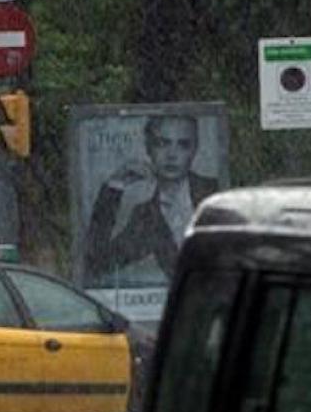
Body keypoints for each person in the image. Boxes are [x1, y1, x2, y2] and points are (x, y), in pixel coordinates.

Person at [84, 114, 220, 284]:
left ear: (195, 149)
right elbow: (96, 263)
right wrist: (114, 187)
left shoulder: (215, 193)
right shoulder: (145, 216)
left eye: (183, 144)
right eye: (162, 143)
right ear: (148, 148)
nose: (172, 155)